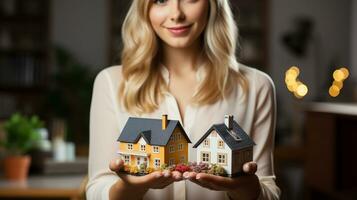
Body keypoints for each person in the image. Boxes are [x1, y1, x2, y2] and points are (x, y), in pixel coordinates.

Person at [86, 0, 281, 199]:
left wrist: (243, 187)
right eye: (161, 0)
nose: (176, 14)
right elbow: (96, 190)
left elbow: (268, 192)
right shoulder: (110, 82)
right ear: (144, 8)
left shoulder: (257, 86)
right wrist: (130, 187)